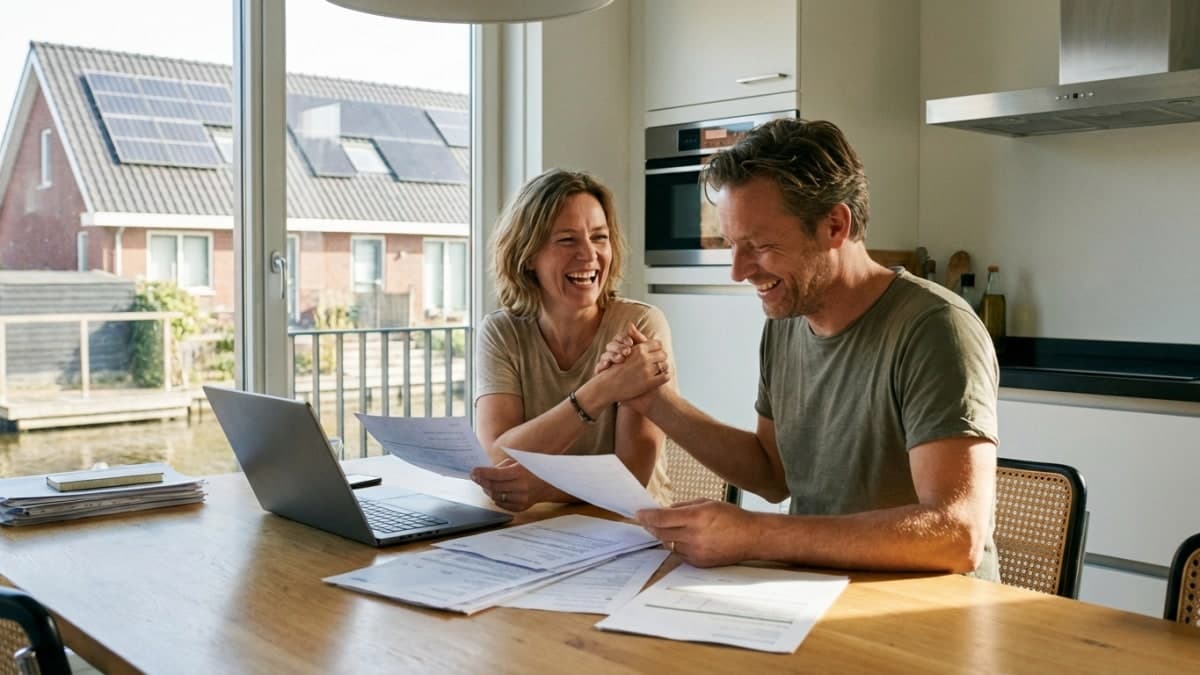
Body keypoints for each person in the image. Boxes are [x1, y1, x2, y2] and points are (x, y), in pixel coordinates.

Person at [598, 119, 1000, 579]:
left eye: (761, 246)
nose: (738, 270)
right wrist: (653, 401)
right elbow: (773, 474)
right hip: (813, 593)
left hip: (925, 619)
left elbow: (955, 536)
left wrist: (756, 535)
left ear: (834, 224)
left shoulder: (935, 330)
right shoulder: (787, 322)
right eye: (731, 245)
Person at [471, 168, 675, 512]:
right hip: (538, 528)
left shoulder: (639, 324)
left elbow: (632, 475)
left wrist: (543, 485)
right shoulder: (501, 332)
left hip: (631, 528)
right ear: (528, 254)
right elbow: (497, 458)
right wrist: (602, 390)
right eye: (567, 240)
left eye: (599, 237)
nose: (589, 255)